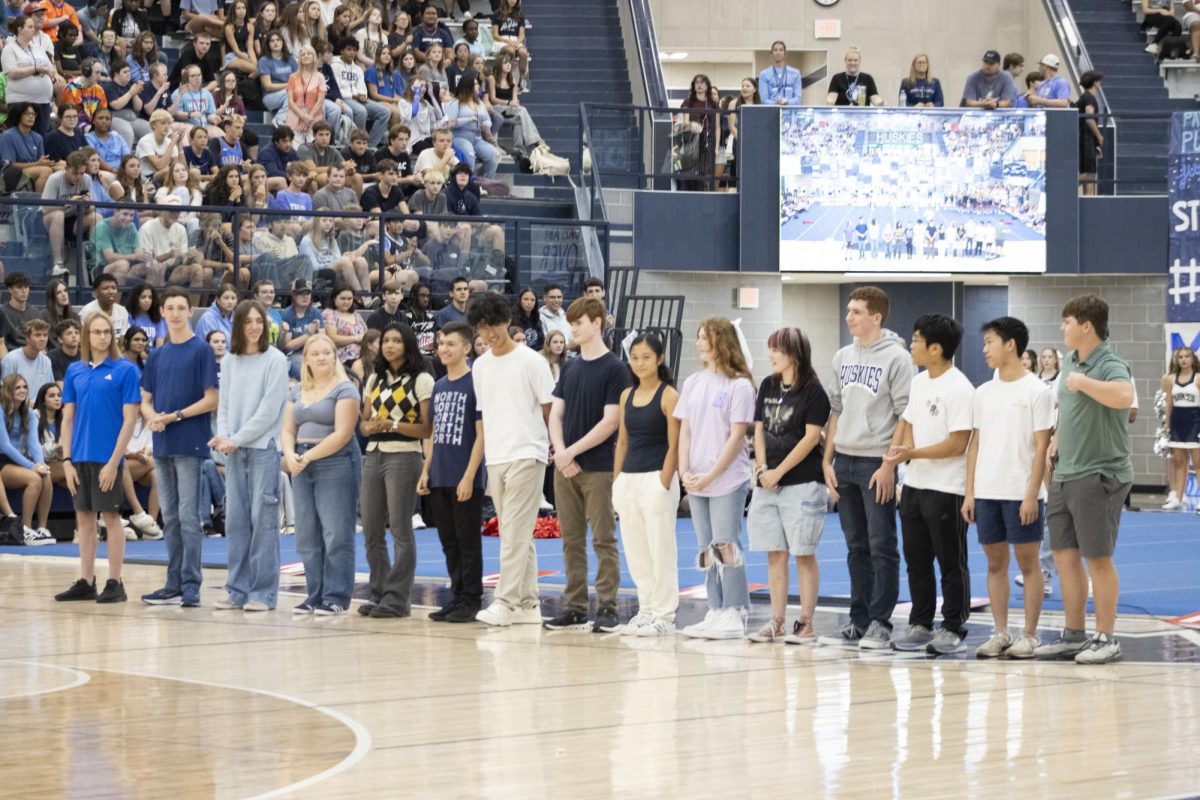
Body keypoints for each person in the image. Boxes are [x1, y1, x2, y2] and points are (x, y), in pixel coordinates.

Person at [1036, 295, 1134, 664]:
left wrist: (1084, 382)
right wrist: (1057, 441)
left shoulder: (1109, 362)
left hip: (1099, 473)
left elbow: (1125, 397)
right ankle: (1073, 634)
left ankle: (1106, 637)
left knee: (1097, 558)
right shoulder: (1071, 363)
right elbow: (1070, 408)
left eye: (1067, 321)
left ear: (1086, 326)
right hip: (1066, 471)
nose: (1062, 328)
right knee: (1063, 556)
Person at [819, 286, 911, 649]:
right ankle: (858, 619)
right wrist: (827, 460)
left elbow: (906, 415)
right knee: (856, 546)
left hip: (876, 461)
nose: (849, 316)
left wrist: (890, 465)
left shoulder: (898, 359)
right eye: (848, 310)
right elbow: (835, 411)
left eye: (856, 311)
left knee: (881, 544)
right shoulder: (842, 356)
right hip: (845, 460)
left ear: (876, 316)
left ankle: (880, 621)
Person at [964, 316, 1053, 659]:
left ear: (1010, 344)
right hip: (987, 492)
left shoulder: (1037, 391)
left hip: (1021, 493)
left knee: (1029, 564)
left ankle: (1029, 635)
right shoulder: (983, 392)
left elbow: (1041, 447)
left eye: (989, 342)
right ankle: (1000, 632)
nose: (984, 349)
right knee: (994, 563)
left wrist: (1031, 493)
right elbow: (975, 445)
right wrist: (970, 491)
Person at [887, 315, 975, 655]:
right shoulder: (920, 381)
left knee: (951, 563)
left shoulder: (959, 388)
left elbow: (958, 443)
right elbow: (907, 420)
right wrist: (897, 456)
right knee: (917, 560)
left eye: (917, 339)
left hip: (947, 489)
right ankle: (920, 623)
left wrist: (914, 452)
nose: (911, 345)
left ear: (935, 348)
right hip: (915, 486)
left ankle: (953, 626)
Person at [543, 297, 629, 632]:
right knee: (571, 539)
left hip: (598, 467)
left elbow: (610, 422)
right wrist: (561, 452)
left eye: (578, 323)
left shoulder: (615, 369)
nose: (572, 328)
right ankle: (575, 605)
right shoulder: (571, 366)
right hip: (566, 467)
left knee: (603, 539)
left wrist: (570, 452)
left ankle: (607, 606)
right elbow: (556, 413)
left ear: (596, 323)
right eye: (571, 322)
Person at [469, 293, 555, 626]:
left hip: (527, 452)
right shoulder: (481, 365)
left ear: (507, 321)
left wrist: (554, 446)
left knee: (513, 532)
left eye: (493, 326)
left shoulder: (532, 361)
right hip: (497, 455)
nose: (488, 334)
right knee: (518, 533)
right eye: (481, 328)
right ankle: (529, 605)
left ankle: (504, 601)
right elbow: (483, 412)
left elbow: (550, 408)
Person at [742, 327, 830, 644]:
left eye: (776, 350)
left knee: (803, 554)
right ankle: (777, 621)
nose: (771, 355)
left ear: (793, 353)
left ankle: (805, 623)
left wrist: (778, 472)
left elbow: (810, 439)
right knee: (774, 554)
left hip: (802, 483)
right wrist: (763, 467)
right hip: (768, 483)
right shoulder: (767, 384)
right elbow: (760, 429)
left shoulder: (814, 392)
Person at [672, 317, 755, 640]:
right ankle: (716, 608)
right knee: (705, 546)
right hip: (697, 478)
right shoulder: (693, 382)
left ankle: (735, 610)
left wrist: (710, 475)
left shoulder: (739, 385)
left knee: (726, 543)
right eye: (698, 337)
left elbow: (736, 438)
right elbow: (686, 429)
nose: (699, 342)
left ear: (721, 340)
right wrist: (685, 470)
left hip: (726, 479)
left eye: (704, 337)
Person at [138, 288, 219, 608]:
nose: (174, 313)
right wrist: (153, 418)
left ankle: (191, 584)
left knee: (188, 516)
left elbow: (212, 398)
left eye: (180, 308)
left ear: (190, 312)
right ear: (162, 312)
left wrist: (176, 416)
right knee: (169, 517)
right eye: (169, 307)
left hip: (190, 441)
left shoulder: (201, 350)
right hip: (162, 443)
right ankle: (173, 582)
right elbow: (145, 400)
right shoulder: (157, 354)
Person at [55, 311, 141, 604]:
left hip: (108, 458)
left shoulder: (125, 370)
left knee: (112, 517)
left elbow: (129, 421)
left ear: (113, 335)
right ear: (86, 336)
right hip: (79, 457)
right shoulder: (75, 371)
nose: (102, 336)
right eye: (96, 332)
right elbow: (67, 418)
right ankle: (86, 580)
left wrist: (114, 462)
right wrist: (66, 461)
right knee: (84, 517)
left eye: (107, 332)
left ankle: (115, 582)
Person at [210, 300, 289, 612]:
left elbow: (269, 413)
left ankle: (263, 593)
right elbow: (226, 405)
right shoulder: (230, 361)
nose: (255, 326)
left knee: (263, 522)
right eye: (249, 321)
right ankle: (237, 590)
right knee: (238, 523)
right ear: (239, 325)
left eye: (260, 321)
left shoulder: (276, 360)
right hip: (235, 452)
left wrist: (236, 439)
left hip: (262, 451)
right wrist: (226, 438)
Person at [358, 323, 433, 618]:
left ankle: (398, 599)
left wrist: (392, 425)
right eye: (385, 340)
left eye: (396, 341)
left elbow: (427, 428)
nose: (388, 345)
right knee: (372, 531)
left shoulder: (422, 379)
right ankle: (379, 593)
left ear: (408, 344)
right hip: (373, 455)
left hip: (404, 456)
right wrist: (372, 426)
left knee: (401, 530)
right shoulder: (374, 378)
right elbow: (363, 423)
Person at [282, 333, 361, 615]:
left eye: (327, 352)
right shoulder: (298, 390)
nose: (322, 357)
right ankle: (314, 594)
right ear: (306, 359)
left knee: (336, 533)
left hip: (335, 462)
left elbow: (342, 434)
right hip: (302, 463)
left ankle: (336, 596)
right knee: (307, 534)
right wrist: (290, 455)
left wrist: (307, 456)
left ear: (335, 356)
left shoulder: (345, 389)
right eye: (315, 353)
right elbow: (288, 429)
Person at [610, 333, 679, 636]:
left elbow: (675, 445)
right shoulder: (626, 395)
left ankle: (664, 615)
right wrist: (617, 481)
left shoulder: (669, 395)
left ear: (660, 359)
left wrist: (664, 482)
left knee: (660, 549)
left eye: (646, 357)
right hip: (629, 479)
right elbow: (622, 442)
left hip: (657, 478)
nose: (639, 363)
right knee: (636, 551)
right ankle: (646, 610)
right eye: (635, 357)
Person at [418, 321, 486, 623]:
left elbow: (482, 434)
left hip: (464, 476)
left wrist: (470, 475)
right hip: (440, 475)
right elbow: (432, 434)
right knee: (448, 541)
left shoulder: (476, 384)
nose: (443, 349)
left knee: (467, 540)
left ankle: (471, 599)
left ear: (467, 348)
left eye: (451, 344)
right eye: (441, 343)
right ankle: (457, 596)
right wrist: (426, 469)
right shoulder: (439, 385)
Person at [0, 373, 55, 544]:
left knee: (46, 476)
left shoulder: (29, 413)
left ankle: (42, 528)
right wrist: (32, 467)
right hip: (3, 459)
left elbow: (34, 443)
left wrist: (40, 464)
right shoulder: (0, 409)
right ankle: (25, 529)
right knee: (34, 479)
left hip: (19, 460)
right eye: (18, 387)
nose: (22, 390)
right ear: (8, 390)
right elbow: (5, 446)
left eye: (25, 387)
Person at [1163, 347, 1200, 510]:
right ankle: (1177, 496)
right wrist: (1166, 426)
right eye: (1180, 357)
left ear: (1193, 359)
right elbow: (1169, 404)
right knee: (1179, 462)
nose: (1184, 359)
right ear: (1176, 360)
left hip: (1196, 422)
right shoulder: (1171, 379)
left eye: (1187, 356)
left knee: (1198, 463)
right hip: (1178, 423)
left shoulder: (1198, 378)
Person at [280, 279, 324, 378]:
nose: (305, 296)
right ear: (293, 295)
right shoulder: (287, 314)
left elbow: (323, 339)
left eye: (308, 293)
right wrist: (308, 335)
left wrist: (316, 334)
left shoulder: (315, 312)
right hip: (295, 354)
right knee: (302, 368)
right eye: (301, 293)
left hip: (314, 352)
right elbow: (287, 346)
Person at [1, 319, 55, 398]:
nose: (42, 339)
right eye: (38, 335)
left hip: (40, 408)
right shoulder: (11, 359)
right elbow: (6, 392)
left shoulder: (46, 361)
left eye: (45, 335)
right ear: (27, 338)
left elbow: (50, 389)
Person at [1077, 70, 1104, 197]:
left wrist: (1096, 144)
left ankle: (1088, 199)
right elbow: (1089, 117)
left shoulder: (1083, 97)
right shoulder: (1089, 98)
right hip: (1086, 138)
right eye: (1099, 81)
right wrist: (1099, 136)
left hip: (1086, 139)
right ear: (1095, 83)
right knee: (1089, 173)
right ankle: (1065, 185)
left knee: (1089, 174)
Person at [80, 274, 130, 339]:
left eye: (113, 288)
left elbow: (122, 340)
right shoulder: (87, 311)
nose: (111, 292)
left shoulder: (122, 310)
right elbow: (85, 340)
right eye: (105, 288)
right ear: (96, 292)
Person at [758, 40, 801, 106]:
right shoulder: (764, 74)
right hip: (771, 111)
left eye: (781, 50)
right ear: (771, 54)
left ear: (785, 54)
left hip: (790, 110)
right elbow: (764, 99)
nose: (778, 52)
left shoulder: (795, 73)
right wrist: (775, 104)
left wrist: (787, 102)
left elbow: (798, 98)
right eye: (775, 50)